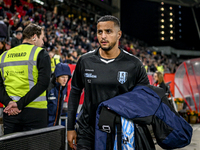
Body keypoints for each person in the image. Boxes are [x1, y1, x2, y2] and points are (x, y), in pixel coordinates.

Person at [67, 15, 149, 149]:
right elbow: (75, 93)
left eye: (108, 31)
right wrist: (70, 128)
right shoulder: (85, 61)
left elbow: (145, 98)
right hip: (88, 131)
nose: (103, 36)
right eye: (100, 32)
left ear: (119, 34)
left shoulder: (134, 64)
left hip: (119, 132)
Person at [0, 23, 51, 135]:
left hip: (10, 112)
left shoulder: (3, 56)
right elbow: (43, 83)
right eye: (42, 38)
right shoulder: (41, 54)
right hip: (35, 112)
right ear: (34, 37)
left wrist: (9, 102)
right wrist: (19, 104)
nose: (42, 43)